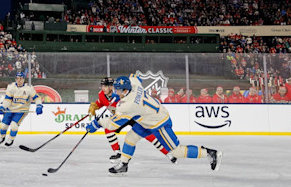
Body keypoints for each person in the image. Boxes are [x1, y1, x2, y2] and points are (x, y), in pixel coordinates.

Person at [85, 75, 222, 175]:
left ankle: (210, 153)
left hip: (158, 123)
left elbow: (112, 125)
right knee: (130, 137)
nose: (116, 92)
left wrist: (96, 124)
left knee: (177, 151)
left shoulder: (127, 105)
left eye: (118, 91)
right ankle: (123, 164)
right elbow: (135, 77)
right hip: (147, 118)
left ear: (125, 91)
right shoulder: (133, 85)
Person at [87, 77, 175, 163]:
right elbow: (100, 102)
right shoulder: (101, 95)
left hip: (132, 116)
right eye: (102, 86)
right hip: (121, 117)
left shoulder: (120, 95)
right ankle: (117, 152)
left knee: (148, 135)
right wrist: (95, 106)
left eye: (105, 86)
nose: (103, 88)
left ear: (111, 87)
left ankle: (168, 153)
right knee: (108, 129)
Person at [0, 70, 41, 147]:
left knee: (14, 125)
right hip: (11, 109)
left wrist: (39, 105)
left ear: (24, 79)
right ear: (15, 79)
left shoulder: (29, 88)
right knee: (3, 126)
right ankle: (1, 137)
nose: (19, 80)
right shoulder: (11, 87)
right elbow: (7, 99)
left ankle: (11, 139)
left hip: (22, 110)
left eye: (21, 78)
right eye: (17, 78)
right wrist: (3, 107)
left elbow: (36, 97)